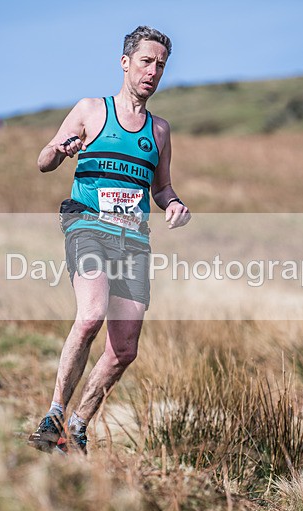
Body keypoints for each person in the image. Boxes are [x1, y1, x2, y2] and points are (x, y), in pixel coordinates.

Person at [28, 25, 191, 454]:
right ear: (125, 63)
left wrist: (173, 204)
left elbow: (162, 188)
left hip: (133, 240)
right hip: (87, 226)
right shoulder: (90, 109)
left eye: (160, 65)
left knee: (124, 349)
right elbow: (43, 160)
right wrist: (61, 149)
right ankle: (53, 416)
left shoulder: (159, 131)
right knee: (90, 316)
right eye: (145, 62)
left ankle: (77, 428)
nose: (152, 72)